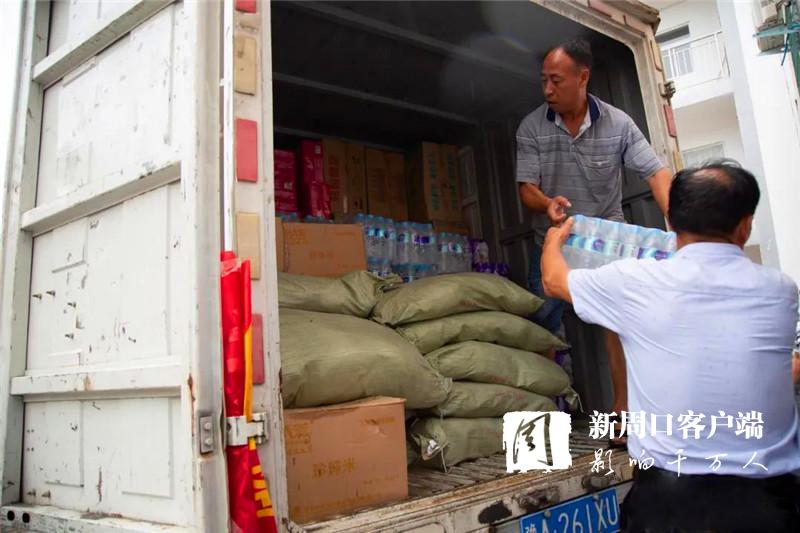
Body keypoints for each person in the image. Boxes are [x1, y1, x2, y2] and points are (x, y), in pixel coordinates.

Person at [541, 160, 800, 531]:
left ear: (672, 221)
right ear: (745, 225)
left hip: (669, 507)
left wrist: (554, 238)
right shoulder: (780, 291)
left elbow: (553, 280)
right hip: (768, 505)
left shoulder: (634, 281)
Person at [516, 38, 672, 443]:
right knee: (541, 329)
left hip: (607, 243)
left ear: (582, 77)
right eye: (543, 80)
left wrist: (683, 226)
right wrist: (547, 203)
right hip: (555, 241)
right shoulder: (532, 127)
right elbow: (526, 189)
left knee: (618, 326)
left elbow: (656, 174)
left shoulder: (618, 124)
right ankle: (538, 428)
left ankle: (622, 416)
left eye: (556, 80)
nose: (547, 89)